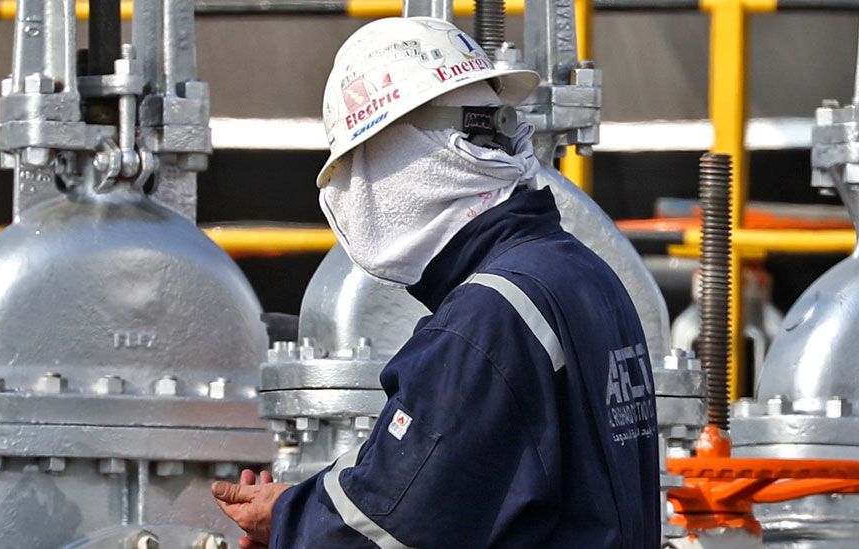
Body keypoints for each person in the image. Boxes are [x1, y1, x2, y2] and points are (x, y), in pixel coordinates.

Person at [212, 17, 660, 548]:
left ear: (409, 154)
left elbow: (391, 527)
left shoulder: (487, 318)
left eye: (359, 162)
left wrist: (285, 518)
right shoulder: (586, 276)